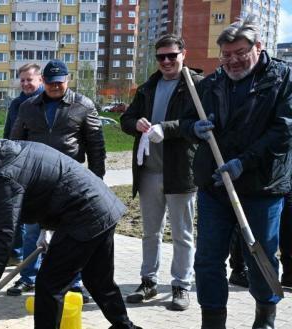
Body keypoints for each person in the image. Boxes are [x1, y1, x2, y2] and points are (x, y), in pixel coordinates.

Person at [0, 139, 141, 329]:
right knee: (99, 281)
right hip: (101, 205)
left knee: (49, 286)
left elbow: (4, 234)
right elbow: (42, 186)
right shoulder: (4, 154)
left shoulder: (1, 176)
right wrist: (46, 227)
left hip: (83, 214)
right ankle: (124, 327)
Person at [180, 18, 291, 328]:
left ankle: (265, 317)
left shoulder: (283, 79)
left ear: (258, 47)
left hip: (262, 186)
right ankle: (212, 320)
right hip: (215, 187)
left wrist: (244, 161)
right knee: (207, 259)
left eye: (239, 52)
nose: (232, 60)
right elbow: (186, 122)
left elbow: (284, 131)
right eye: (225, 55)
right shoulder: (211, 84)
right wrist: (194, 129)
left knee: (261, 257)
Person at [7, 59, 104, 301]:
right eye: (50, 83)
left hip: (71, 180)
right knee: (32, 231)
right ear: (44, 82)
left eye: (59, 83)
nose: (54, 87)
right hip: (37, 179)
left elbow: (96, 144)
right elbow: (15, 143)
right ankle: (28, 277)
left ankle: (74, 281)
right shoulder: (28, 107)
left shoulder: (83, 105)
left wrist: (97, 178)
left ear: (67, 81)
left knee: (71, 233)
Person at [119, 34, 200, 311]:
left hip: (180, 172)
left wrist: (167, 127)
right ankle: (148, 281)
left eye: (171, 55)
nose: (166, 61)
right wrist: (136, 123)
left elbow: (199, 122)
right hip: (149, 172)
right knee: (150, 232)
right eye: (161, 57)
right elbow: (126, 120)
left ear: (183, 54)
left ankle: (181, 285)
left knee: (182, 234)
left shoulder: (195, 85)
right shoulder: (147, 87)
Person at [3, 63, 45, 270]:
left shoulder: (46, 100)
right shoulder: (16, 104)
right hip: (19, 165)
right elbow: (9, 133)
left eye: (29, 79)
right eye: (22, 80)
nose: (26, 83)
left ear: (40, 80)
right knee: (18, 213)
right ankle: (17, 255)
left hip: (42, 166)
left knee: (36, 221)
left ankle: (36, 264)